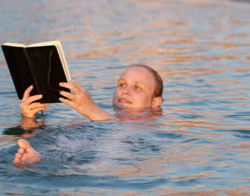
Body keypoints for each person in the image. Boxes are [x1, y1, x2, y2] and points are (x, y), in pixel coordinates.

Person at [13, 64, 164, 165]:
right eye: (122, 84)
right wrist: (28, 119)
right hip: (68, 153)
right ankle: (36, 157)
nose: (125, 90)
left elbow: (121, 134)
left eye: (137, 88)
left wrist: (91, 110)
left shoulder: (148, 128)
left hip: (93, 169)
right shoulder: (94, 121)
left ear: (155, 102)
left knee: (116, 140)